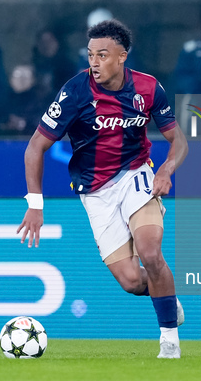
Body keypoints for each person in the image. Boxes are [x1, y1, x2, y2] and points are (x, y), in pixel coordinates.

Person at [17, 19, 188, 359]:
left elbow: (177, 139)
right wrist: (35, 205)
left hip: (136, 175)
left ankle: (169, 339)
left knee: (151, 253)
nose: (94, 62)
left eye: (103, 55)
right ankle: (166, 299)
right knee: (131, 281)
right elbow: (35, 147)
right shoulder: (75, 91)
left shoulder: (149, 88)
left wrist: (166, 169)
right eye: (91, 54)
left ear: (122, 56)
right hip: (95, 191)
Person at [32, 29, 77, 99]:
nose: (46, 45)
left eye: (49, 41)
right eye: (42, 42)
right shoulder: (33, 68)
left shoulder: (68, 67)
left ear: (57, 42)